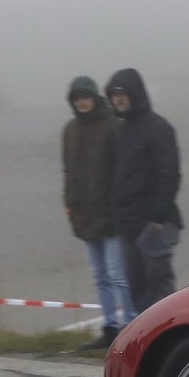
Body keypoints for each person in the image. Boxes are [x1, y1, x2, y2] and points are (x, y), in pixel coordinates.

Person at [60, 75, 134, 349]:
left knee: (117, 274)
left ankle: (131, 327)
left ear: (94, 97)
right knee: (100, 276)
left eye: (86, 97)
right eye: (77, 98)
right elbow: (68, 171)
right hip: (84, 216)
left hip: (112, 215)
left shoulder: (114, 125)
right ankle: (110, 328)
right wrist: (70, 203)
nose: (82, 102)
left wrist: (120, 205)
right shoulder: (69, 130)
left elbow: (124, 170)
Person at [105, 68, 183, 310]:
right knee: (136, 287)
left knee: (160, 287)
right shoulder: (120, 132)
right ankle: (145, 334)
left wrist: (157, 217)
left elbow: (170, 174)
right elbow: (118, 176)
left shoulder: (159, 128)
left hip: (154, 223)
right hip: (127, 224)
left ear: (135, 93)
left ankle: (172, 331)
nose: (118, 99)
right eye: (113, 95)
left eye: (122, 93)